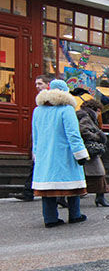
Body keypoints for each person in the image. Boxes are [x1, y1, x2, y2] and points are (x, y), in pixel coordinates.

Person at [31, 79, 89, 228]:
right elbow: (73, 134)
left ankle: (50, 218)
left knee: (47, 188)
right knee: (73, 184)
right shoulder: (66, 109)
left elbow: (35, 135)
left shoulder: (38, 110)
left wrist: (36, 154)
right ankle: (75, 214)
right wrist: (81, 154)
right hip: (64, 154)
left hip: (45, 155)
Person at [14, 74, 53, 202]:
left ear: (48, 84)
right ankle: (28, 191)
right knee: (36, 166)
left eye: (40, 84)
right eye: (36, 84)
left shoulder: (54, 101)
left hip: (50, 140)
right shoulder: (39, 105)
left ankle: (29, 191)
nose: (37, 87)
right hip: (41, 140)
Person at [76, 99, 109, 207]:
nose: (99, 114)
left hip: (85, 150)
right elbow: (84, 131)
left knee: (91, 174)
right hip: (89, 150)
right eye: (99, 111)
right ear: (95, 110)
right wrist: (98, 136)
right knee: (98, 173)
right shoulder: (86, 117)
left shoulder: (84, 115)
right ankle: (100, 198)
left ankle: (100, 197)